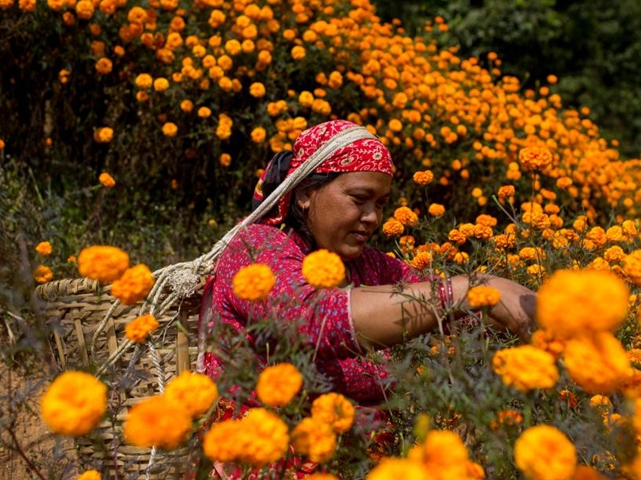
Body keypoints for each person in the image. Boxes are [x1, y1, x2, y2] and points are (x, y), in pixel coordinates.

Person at [196, 120, 535, 476]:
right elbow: (315, 320)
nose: (372, 217)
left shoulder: (369, 267)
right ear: (305, 194)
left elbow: (459, 313)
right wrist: (468, 290)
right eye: (359, 199)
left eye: (381, 203)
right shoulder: (256, 247)